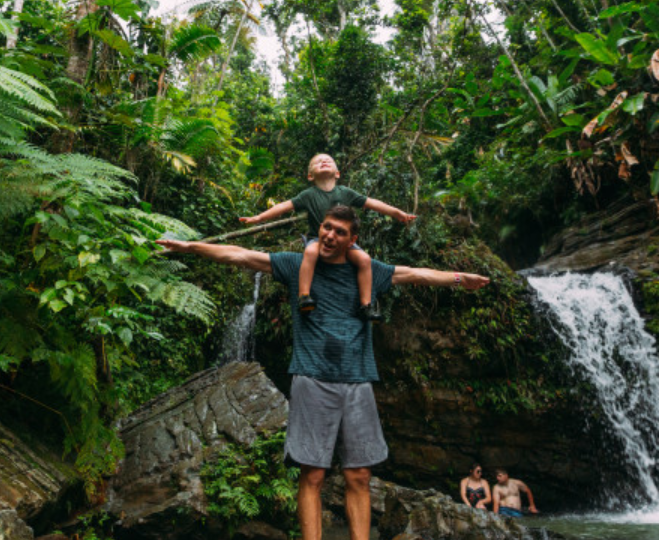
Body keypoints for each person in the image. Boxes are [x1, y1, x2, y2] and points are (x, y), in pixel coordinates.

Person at [156, 205, 490, 540]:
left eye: (340, 232)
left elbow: (418, 274)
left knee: (359, 475)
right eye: (326, 228)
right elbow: (240, 255)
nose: (330, 235)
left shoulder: (369, 270)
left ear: (352, 240)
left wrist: (461, 279)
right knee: (312, 475)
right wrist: (190, 247)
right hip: (312, 379)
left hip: (358, 382)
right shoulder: (296, 264)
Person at [239, 154, 416, 321]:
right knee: (310, 252)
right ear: (310, 176)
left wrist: (396, 213)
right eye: (318, 162)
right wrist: (259, 218)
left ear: (337, 173)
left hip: (343, 242)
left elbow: (373, 203)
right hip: (318, 239)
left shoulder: (345, 192)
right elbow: (284, 207)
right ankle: (304, 297)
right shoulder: (308, 195)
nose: (323, 161)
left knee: (364, 259)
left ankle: (366, 305)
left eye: (328, 161)